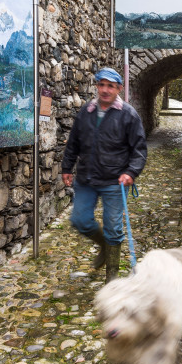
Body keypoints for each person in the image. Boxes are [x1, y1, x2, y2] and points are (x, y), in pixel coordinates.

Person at [62, 67, 147, 281]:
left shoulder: (128, 114)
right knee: (80, 220)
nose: (105, 90)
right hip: (87, 179)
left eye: (111, 86)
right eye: (101, 84)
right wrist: (66, 167)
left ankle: (112, 277)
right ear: (97, 86)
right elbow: (73, 142)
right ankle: (103, 246)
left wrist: (131, 172)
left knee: (114, 228)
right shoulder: (86, 111)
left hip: (114, 181)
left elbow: (139, 149)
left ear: (119, 88)